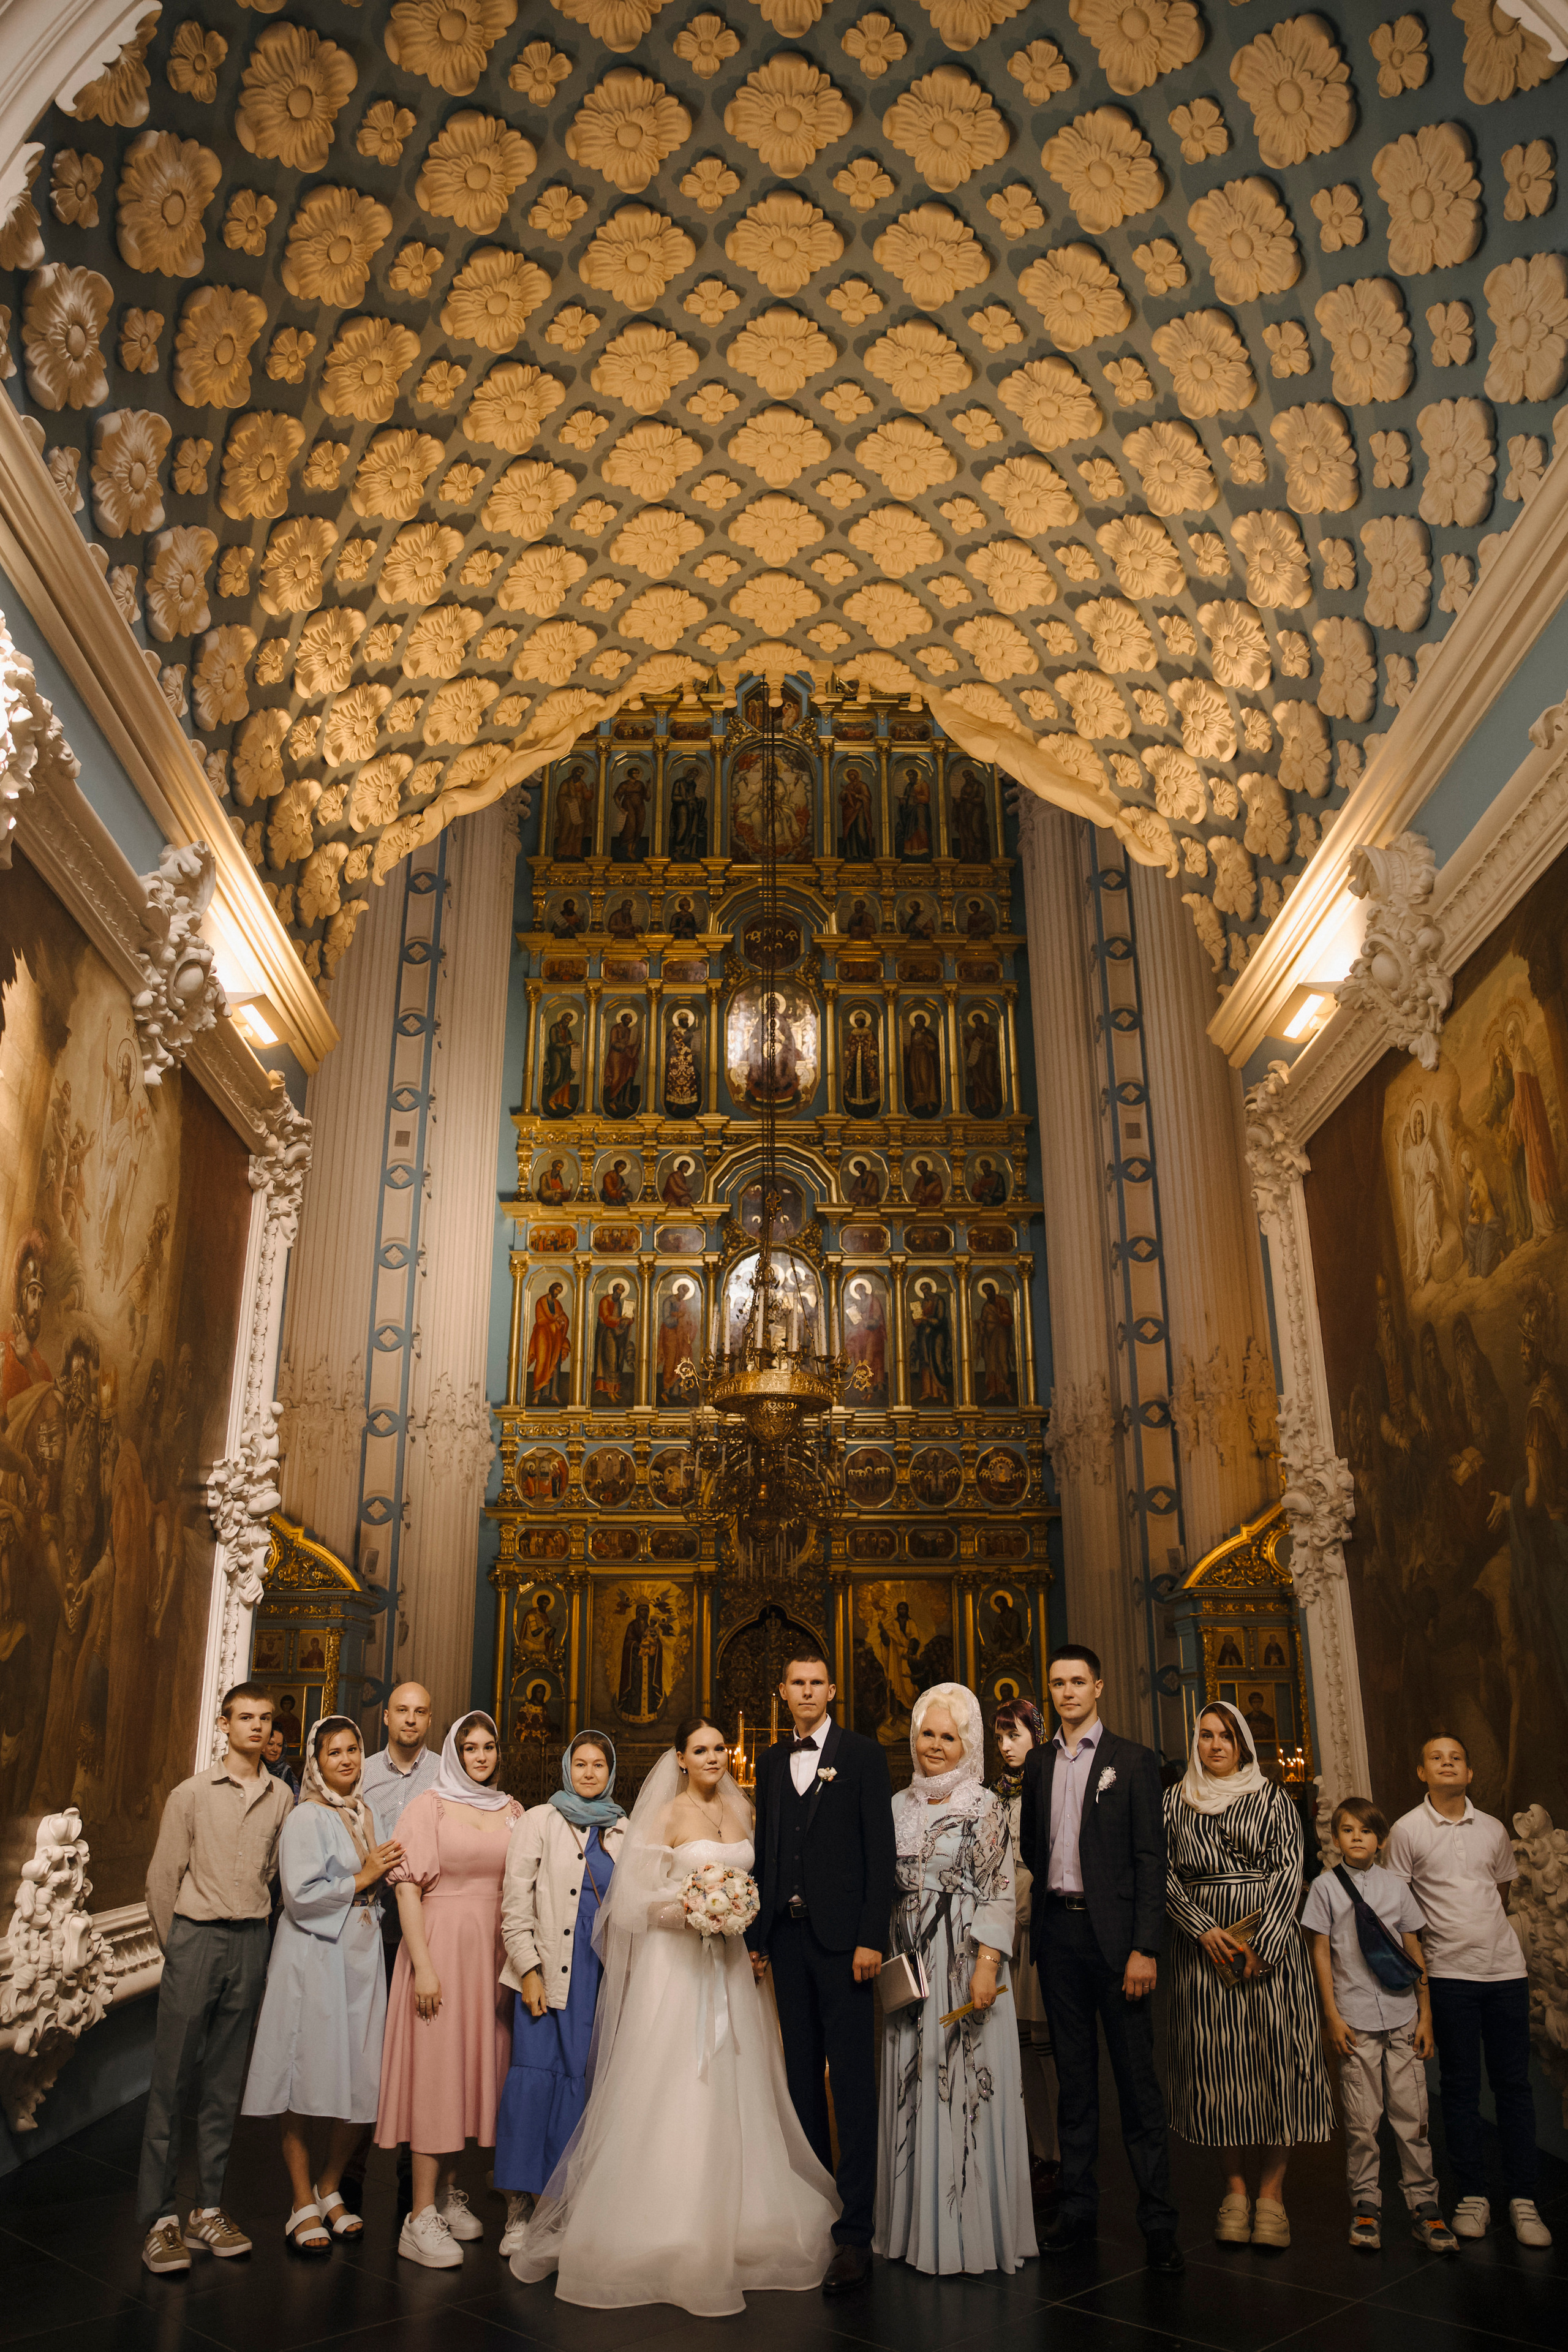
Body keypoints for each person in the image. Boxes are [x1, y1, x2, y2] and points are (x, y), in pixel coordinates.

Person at [511, 1716, 840, 2312]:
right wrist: (692, 1912)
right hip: (677, 1967)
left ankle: (745, 2210)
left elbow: (758, 1881)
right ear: (680, 1759)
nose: (713, 1758)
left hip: (729, 1966)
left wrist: (738, 1917)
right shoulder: (663, 1816)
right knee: (675, 2080)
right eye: (700, 1750)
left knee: (736, 2078)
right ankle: (663, 2215)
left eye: (719, 1748)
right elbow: (630, 1902)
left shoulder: (743, 1811)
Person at [1019, 1645, 1181, 2272]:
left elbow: (1150, 1860)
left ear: (1099, 1687)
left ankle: (1158, 2222)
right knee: (1075, 2085)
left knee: (1138, 2088)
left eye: (1077, 1682)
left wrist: (1145, 1947)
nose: (1067, 1692)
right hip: (1059, 1936)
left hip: (1118, 1943)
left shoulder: (1132, 1762)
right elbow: (1033, 1846)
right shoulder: (1038, 1764)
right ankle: (1078, 2209)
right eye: (1058, 1683)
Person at [748, 1651, 897, 2294]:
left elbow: (880, 1853)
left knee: (853, 2084)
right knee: (801, 2079)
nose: (806, 1692)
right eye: (796, 1684)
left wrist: (870, 1939)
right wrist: (758, 1936)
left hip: (844, 1947)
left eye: (816, 1683)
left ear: (831, 1691)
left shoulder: (862, 1755)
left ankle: (856, 2231)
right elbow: (768, 1852)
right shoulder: (771, 1762)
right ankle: (814, 2211)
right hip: (786, 1940)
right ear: (782, 1692)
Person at [875, 1683, 1035, 2275]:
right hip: (910, 1964)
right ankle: (915, 2231)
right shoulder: (897, 1805)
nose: (936, 1746)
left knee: (964, 2084)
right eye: (927, 1733)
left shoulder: (984, 1806)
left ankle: (969, 2234)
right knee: (913, 2084)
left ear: (967, 1744)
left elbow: (998, 1890)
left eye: (949, 1736)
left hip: (966, 1961)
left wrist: (987, 1965)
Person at [1163, 1700, 1333, 2250]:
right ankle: (1234, 2192)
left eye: (1226, 1736)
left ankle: (1272, 2196)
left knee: (1277, 2065)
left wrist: (1265, 1945)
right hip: (1204, 1956)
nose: (1215, 1745)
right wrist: (1202, 1929)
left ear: (1243, 1745)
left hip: (1270, 1956)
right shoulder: (1174, 1800)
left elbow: (1291, 1870)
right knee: (1219, 2070)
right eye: (1206, 1735)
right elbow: (1161, 1872)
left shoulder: (1272, 1798)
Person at [137, 1683, 295, 2275]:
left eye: (265, 1719)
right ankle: (159, 2219)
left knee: (225, 2084)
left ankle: (206, 2209)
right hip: (195, 1939)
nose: (257, 1727)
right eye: (245, 1717)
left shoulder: (282, 1797)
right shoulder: (191, 1794)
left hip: (250, 1941)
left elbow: (273, 1872)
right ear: (224, 1725)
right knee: (171, 2083)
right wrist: (179, 1948)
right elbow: (162, 1879)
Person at [241, 1717, 403, 2252]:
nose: (347, 1759)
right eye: (334, 1752)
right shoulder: (306, 1816)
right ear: (316, 1761)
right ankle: (299, 2200)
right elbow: (299, 1894)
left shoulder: (368, 1812)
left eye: (353, 1749)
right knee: (303, 2069)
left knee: (361, 2073)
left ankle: (329, 2186)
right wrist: (364, 1876)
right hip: (313, 1952)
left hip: (361, 1950)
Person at [1386, 1733, 1552, 2247]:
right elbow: (1400, 1909)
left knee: (1513, 2086)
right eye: (1436, 1758)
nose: (1447, 1763)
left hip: (1505, 1973)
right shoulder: (1407, 1830)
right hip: (1449, 1975)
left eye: (1456, 1758)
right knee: (1460, 2089)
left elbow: (1499, 1890)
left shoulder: (1494, 1829)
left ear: (1470, 1772)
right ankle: (1473, 2196)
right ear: (1422, 1772)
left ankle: (1523, 2199)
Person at [375, 1713, 523, 2267]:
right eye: (470, 1748)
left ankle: (446, 2194)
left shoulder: (513, 1811)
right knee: (437, 2075)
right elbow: (407, 1891)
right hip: (439, 1949)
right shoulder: (428, 1807)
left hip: (494, 1957)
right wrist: (424, 1966)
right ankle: (417, 2218)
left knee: (469, 2073)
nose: (481, 1756)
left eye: (489, 1747)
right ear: (454, 1754)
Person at [1301, 1795, 1457, 2255]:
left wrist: (1426, 2015)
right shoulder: (1325, 1888)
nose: (1357, 1838)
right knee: (1362, 2121)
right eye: (1347, 1830)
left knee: (1413, 2117)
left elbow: (1414, 1949)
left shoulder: (1396, 1887)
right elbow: (1321, 1954)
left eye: (1366, 1831)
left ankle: (1424, 2205)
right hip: (1354, 2018)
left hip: (1403, 2014)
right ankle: (1366, 2205)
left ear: (1381, 1840)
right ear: (1335, 1838)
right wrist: (1331, 2016)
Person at [496, 1732, 628, 2254]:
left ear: (611, 1773)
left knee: (583, 2088)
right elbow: (515, 1904)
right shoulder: (540, 1821)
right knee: (533, 2086)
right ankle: (520, 2207)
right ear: (567, 1768)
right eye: (581, 1764)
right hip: (548, 1974)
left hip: (599, 1978)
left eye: (599, 1765)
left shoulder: (624, 1829)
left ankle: (563, 2205)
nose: (589, 1773)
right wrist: (528, 1968)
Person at [993, 1698, 1060, 2203]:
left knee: (1047, 2043)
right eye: (999, 1737)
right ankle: (1038, 2149)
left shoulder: (1051, 1784)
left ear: (1037, 1735)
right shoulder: (995, 1795)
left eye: (1014, 1735)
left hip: (1039, 1922)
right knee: (1016, 2045)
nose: (1006, 1746)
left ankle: (1062, 2150)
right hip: (1004, 1926)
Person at [262, 1722, 298, 1798]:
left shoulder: (286, 1772)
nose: (275, 1749)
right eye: (270, 1744)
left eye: (279, 1745)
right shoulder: (253, 1767)